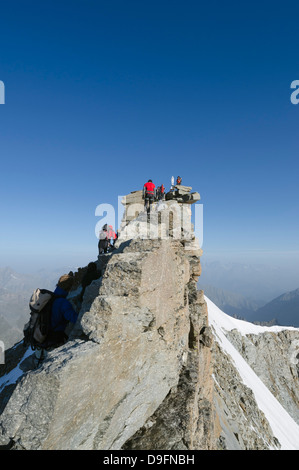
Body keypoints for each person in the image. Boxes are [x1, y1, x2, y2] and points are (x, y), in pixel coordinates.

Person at [33, 273, 78, 366]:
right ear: (69, 288)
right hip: (53, 344)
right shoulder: (63, 303)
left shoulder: (48, 298)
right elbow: (74, 318)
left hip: (40, 343)